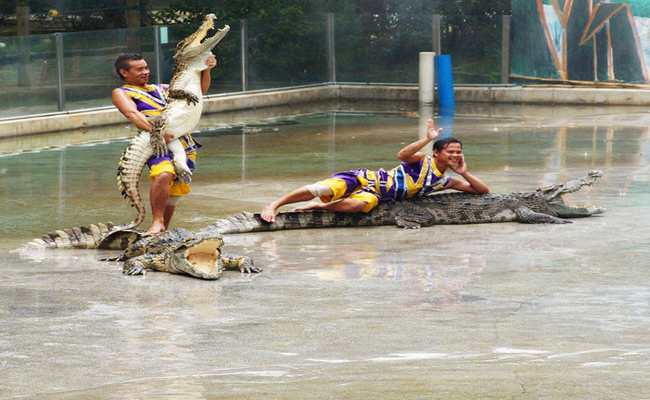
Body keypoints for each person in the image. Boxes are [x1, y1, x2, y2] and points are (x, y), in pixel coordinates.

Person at [260, 119, 489, 223]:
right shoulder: (422, 159)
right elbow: (402, 155)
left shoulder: (447, 181)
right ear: (437, 152)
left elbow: (482, 191)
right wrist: (426, 140)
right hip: (366, 178)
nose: (456, 155)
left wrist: (464, 173)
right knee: (322, 187)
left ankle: (319, 206)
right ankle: (275, 205)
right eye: (451, 151)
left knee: (359, 206)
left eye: (459, 152)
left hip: (379, 196)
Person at [111, 52, 217, 235]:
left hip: (184, 141)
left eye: (146, 68)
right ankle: (156, 222)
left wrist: (206, 70)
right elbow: (133, 114)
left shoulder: (164, 88)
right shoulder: (121, 92)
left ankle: (162, 229)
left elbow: (199, 92)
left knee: (175, 190)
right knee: (163, 174)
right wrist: (157, 133)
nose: (146, 72)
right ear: (124, 72)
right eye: (139, 69)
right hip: (156, 141)